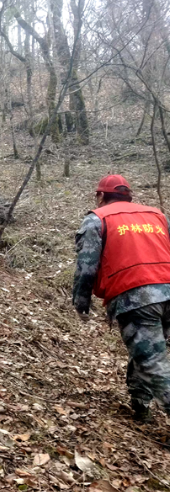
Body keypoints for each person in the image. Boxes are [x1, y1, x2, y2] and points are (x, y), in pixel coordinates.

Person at [73, 174, 170, 422]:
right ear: (128, 195)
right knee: (149, 354)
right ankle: (141, 407)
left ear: (101, 195)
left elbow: (87, 266)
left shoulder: (98, 219)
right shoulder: (157, 216)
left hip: (137, 296)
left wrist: (81, 301)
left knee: (151, 362)